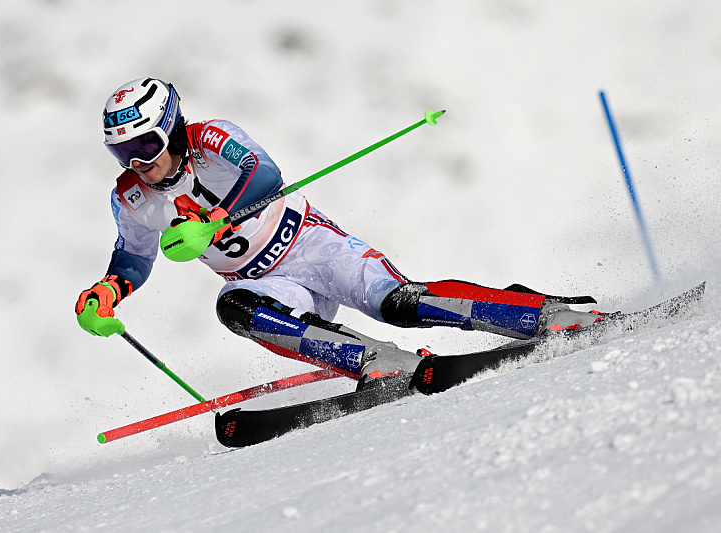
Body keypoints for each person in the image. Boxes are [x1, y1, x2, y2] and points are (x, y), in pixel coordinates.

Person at [75, 77, 605, 389]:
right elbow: (134, 259)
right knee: (233, 307)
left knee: (397, 303)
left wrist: (211, 222)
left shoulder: (211, 139)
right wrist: (107, 291)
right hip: (267, 282)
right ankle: (373, 362)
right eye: (120, 153)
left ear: (169, 127)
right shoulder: (131, 197)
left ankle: (545, 314)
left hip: (310, 244)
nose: (136, 163)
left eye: (143, 145)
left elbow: (265, 174)